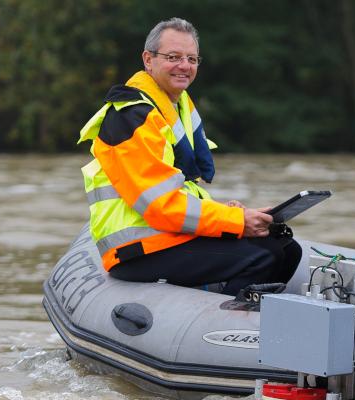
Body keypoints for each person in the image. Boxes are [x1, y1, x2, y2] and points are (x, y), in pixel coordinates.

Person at [75, 17, 300, 296]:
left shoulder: (173, 108)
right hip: (137, 249)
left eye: (192, 59)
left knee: (287, 249)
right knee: (264, 256)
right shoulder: (132, 116)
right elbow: (161, 206)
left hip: (165, 236)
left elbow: (180, 191)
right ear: (148, 59)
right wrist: (236, 222)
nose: (185, 66)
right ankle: (229, 328)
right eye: (173, 57)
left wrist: (230, 212)